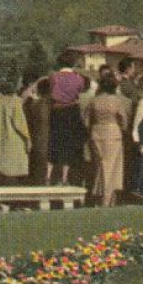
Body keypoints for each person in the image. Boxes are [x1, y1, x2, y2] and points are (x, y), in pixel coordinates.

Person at [86, 77, 131, 207]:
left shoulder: (94, 101)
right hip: (112, 132)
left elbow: (86, 120)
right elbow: (123, 119)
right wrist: (122, 129)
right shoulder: (116, 101)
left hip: (96, 132)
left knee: (100, 166)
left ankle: (101, 196)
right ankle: (106, 197)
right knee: (110, 167)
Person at [46, 55, 90, 186]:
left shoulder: (53, 77)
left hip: (56, 110)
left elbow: (50, 91)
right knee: (68, 144)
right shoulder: (78, 78)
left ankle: (48, 176)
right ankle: (64, 178)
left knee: (54, 142)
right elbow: (81, 90)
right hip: (72, 110)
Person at [22, 78, 54, 185]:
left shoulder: (32, 104)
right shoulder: (53, 105)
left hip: (36, 140)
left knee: (37, 172)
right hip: (50, 141)